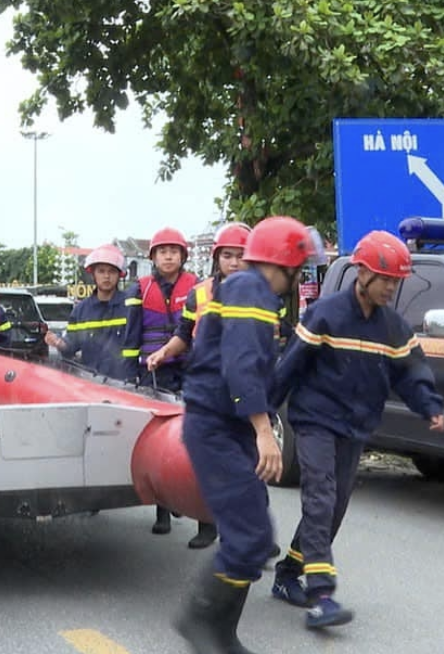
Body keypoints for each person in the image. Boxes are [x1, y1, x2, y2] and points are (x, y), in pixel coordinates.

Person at [270, 230, 444, 629]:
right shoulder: (326, 314)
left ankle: (287, 574)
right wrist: (261, 418)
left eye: (396, 281)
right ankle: (322, 596)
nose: (391, 287)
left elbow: (412, 372)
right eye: (385, 278)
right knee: (320, 497)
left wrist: (429, 405)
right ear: (362, 273)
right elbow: (289, 366)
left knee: (333, 511)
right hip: (314, 420)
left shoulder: (393, 328)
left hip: (355, 426)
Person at [172, 216, 314, 654]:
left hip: (225, 424)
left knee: (252, 537)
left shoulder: (248, 290)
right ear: (285, 263)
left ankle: (221, 633)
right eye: (299, 268)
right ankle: (199, 622)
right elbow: (239, 364)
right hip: (217, 425)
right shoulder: (250, 289)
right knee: (249, 536)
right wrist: (263, 431)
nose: (299, 278)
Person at [144, 222, 251, 550]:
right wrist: (162, 353)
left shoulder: (262, 293)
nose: (234, 263)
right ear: (216, 258)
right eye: (227, 256)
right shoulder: (200, 293)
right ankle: (208, 524)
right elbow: (183, 334)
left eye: (241, 256)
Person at [129, 226, 198, 536]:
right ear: (153, 257)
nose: (168, 256)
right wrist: (131, 369)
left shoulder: (197, 286)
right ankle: (162, 511)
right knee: (158, 439)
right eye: (162, 251)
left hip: (191, 367)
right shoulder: (140, 288)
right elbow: (131, 333)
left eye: (174, 251)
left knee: (195, 437)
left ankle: (199, 512)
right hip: (153, 370)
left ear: (183, 256)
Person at [44, 243, 137, 381]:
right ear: (93, 273)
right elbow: (71, 346)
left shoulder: (131, 307)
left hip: (125, 386)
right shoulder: (81, 310)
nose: (106, 276)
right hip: (91, 384)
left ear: (120, 275)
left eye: (112, 271)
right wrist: (59, 343)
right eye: (101, 271)